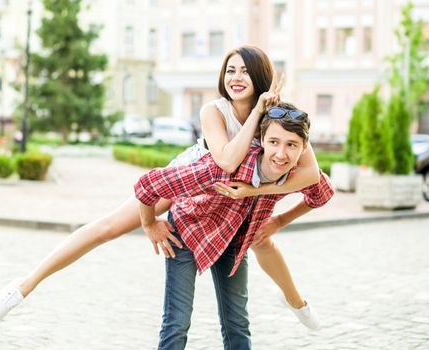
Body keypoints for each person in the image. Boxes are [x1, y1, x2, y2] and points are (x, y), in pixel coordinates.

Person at [0, 45, 320, 324]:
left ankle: (298, 303)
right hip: (194, 179)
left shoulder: (277, 116)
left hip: (238, 193)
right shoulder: (213, 111)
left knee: (263, 241)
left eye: (245, 71)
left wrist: (256, 192)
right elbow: (228, 161)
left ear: (260, 75)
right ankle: (25, 285)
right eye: (230, 70)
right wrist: (150, 224)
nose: (236, 77)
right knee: (109, 227)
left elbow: (312, 175)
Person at [135, 103, 335, 349]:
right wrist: (149, 224)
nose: (281, 154)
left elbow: (322, 194)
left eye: (291, 145)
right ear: (261, 141)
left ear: (303, 148)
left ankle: (296, 303)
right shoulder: (222, 169)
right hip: (187, 231)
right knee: (177, 322)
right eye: (274, 142)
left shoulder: (295, 174)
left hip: (232, 237)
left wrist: (279, 221)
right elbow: (147, 185)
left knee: (237, 322)